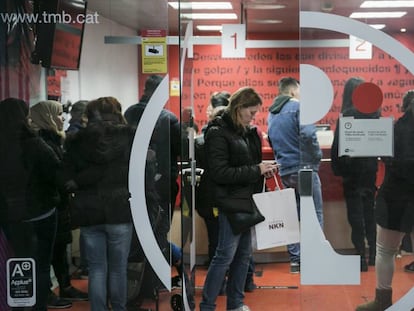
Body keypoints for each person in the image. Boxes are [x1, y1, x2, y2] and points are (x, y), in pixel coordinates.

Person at [199, 87, 278, 311]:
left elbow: (244, 165)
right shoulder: (217, 132)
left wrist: (260, 169)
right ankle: (207, 305)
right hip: (230, 201)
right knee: (224, 255)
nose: (254, 116)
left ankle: (236, 303)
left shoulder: (244, 131)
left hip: (244, 199)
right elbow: (220, 172)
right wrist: (257, 170)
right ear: (239, 108)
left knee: (243, 256)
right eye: (251, 112)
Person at [63, 96, 135, 311]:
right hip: (119, 209)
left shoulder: (77, 141)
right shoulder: (129, 139)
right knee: (118, 269)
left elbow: (67, 176)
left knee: (96, 269)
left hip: (88, 210)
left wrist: (81, 181)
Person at [0, 97, 61, 311]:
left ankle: (18, 306)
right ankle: (38, 308)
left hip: (11, 217)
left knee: (18, 264)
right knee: (41, 266)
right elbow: (56, 173)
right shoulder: (36, 144)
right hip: (43, 213)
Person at [356, 90, 414, 310]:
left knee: (385, 250)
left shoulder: (392, 129)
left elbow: (384, 157)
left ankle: (382, 300)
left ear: (403, 106)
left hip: (395, 197)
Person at [29, 100, 88, 308]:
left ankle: (64, 286)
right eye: (59, 114)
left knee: (59, 249)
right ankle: (47, 294)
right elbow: (54, 174)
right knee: (49, 254)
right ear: (47, 117)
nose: (63, 118)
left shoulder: (52, 139)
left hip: (57, 204)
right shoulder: (41, 142)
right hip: (48, 205)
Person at [267, 77, 324, 274]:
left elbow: (272, 139)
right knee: (314, 213)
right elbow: (308, 135)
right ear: (292, 92)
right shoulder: (298, 107)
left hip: (285, 170)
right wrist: (316, 156)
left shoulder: (272, 112)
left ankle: (296, 260)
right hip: (305, 168)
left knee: (292, 215)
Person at [331, 77, 380, 272]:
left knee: (355, 215)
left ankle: (360, 256)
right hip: (369, 171)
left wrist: (339, 170)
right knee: (370, 212)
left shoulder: (347, 117)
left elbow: (337, 149)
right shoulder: (375, 115)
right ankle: (374, 255)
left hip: (352, 172)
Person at [65, 99, 90, 281]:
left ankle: (85, 264)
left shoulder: (70, 132)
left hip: (78, 187)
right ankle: (86, 265)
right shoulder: (80, 135)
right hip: (84, 187)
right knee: (88, 229)